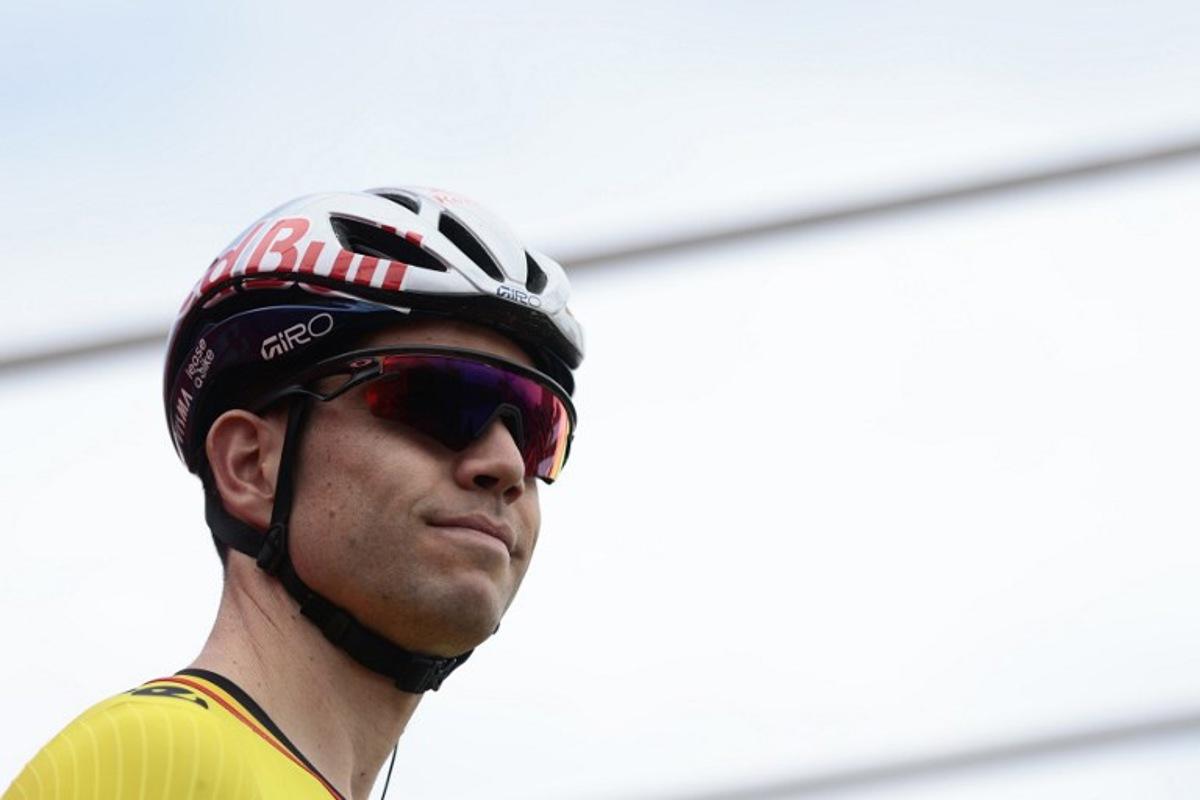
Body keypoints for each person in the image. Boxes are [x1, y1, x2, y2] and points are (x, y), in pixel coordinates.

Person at [3, 186, 584, 799]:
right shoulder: (150, 760)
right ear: (251, 467)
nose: (506, 464)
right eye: (437, 399)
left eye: (536, 427)